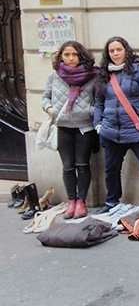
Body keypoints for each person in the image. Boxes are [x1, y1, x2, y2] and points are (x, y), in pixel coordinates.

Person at [94, 36, 139, 211]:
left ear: (126, 50)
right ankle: (112, 202)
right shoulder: (103, 74)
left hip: (136, 129)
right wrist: (98, 124)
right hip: (110, 131)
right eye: (112, 51)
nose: (116, 53)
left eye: (119, 49)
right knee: (111, 169)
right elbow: (98, 102)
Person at [41, 40, 99, 219]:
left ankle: (81, 202)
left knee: (82, 164)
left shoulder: (92, 76)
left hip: (84, 128)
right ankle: (71, 201)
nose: (71, 58)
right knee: (67, 167)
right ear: (61, 56)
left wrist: (86, 111)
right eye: (67, 54)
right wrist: (50, 109)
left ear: (81, 56)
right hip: (63, 127)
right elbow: (45, 98)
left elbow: (99, 103)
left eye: (74, 54)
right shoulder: (54, 76)